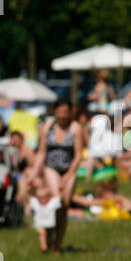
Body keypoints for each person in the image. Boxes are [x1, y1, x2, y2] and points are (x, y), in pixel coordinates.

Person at [31, 98, 84, 252]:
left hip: (69, 168)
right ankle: (47, 233)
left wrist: (68, 175)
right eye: (60, 112)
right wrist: (33, 174)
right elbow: (41, 153)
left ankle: (57, 244)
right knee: (56, 199)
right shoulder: (47, 128)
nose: (62, 115)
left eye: (65, 112)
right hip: (51, 168)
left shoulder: (75, 128)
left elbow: (79, 154)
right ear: (54, 112)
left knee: (65, 205)